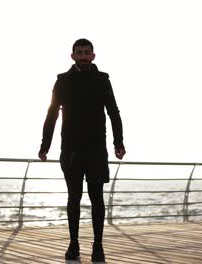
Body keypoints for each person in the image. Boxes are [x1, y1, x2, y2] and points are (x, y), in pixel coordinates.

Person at [38, 38, 126, 262]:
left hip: (96, 150)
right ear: (73, 56)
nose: (84, 56)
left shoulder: (103, 80)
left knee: (97, 199)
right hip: (71, 150)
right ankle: (74, 244)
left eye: (87, 52)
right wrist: (44, 146)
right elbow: (51, 115)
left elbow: (114, 112)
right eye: (80, 52)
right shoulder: (63, 81)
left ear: (93, 55)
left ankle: (98, 246)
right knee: (73, 198)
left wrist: (119, 142)